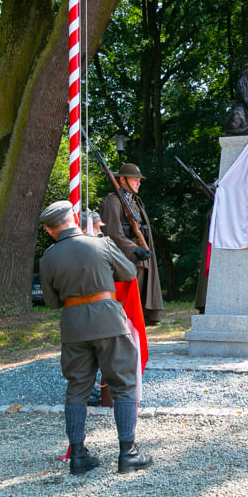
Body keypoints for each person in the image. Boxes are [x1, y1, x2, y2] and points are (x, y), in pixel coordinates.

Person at [39, 200, 153, 475]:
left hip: (73, 327)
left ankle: (78, 456)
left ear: (48, 229)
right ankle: (128, 453)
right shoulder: (99, 244)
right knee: (123, 385)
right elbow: (127, 272)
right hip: (108, 321)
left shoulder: (48, 257)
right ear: (74, 218)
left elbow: (53, 303)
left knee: (77, 389)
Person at [100, 163, 164, 325]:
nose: (138, 182)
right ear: (122, 180)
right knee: (128, 303)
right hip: (127, 258)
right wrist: (134, 250)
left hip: (142, 255)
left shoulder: (135, 201)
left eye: (139, 180)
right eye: (134, 179)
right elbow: (113, 233)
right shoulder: (113, 202)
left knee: (141, 298)